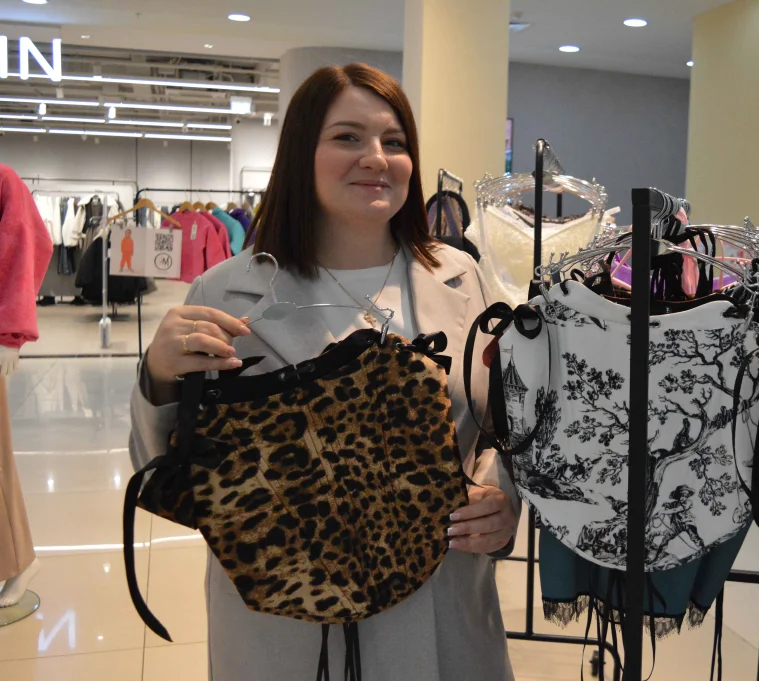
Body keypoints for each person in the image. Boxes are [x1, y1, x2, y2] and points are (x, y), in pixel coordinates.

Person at [129, 63, 519, 680]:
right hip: (284, 625)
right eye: (347, 137)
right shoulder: (226, 293)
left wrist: (501, 499)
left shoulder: (459, 278)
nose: (377, 157)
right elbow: (167, 466)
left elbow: (498, 426)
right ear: (300, 154)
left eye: (394, 141)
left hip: (439, 604)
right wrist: (157, 375)